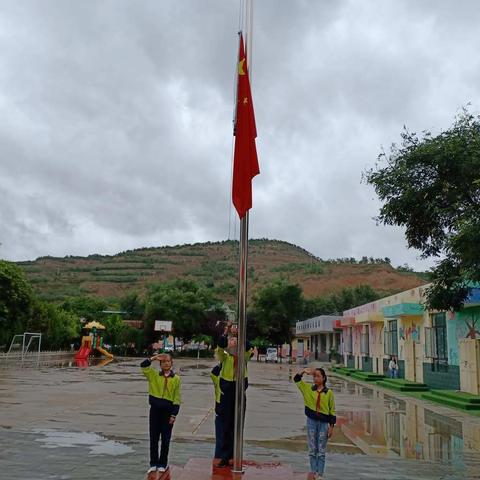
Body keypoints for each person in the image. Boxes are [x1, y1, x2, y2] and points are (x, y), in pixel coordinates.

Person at [214, 321, 253, 468]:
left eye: (236, 340)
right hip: (227, 389)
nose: (233, 341)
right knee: (226, 424)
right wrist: (227, 331)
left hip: (239, 387)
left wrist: (240, 333)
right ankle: (225, 456)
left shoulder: (244, 355)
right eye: (231, 340)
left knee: (238, 424)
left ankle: (236, 454)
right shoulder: (224, 356)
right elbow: (220, 344)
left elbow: (248, 346)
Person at [140, 352, 181, 474]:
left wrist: (174, 414)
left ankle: (162, 463)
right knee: (153, 438)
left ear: (172, 363)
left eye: (168, 361)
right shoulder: (153, 375)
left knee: (165, 439)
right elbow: (143, 366)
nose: (166, 363)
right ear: (160, 364)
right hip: (155, 411)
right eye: (163, 362)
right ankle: (153, 463)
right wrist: (153, 358)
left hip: (168, 412)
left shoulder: (176, 379)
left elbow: (177, 398)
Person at [294, 367, 336, 479]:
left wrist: (331, 427)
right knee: (312, 449)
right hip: (311, 422)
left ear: (323, 378)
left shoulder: (329, 393)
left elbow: (332, 410)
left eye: (318, 376)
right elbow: (297, 379)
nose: (315, 378)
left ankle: (320, 474)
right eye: (314, 376)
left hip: (323, 424)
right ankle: (313, 473)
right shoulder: (308, 389)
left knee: (321, 450)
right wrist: (303, 371)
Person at [210, 364, 223, 460]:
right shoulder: (218, 381)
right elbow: (213, 373)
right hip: (220, 411)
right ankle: (218, 457)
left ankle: (229, 457)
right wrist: (222, 363)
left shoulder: (234, 383)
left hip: (231, 412)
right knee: (219, 438)